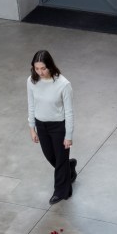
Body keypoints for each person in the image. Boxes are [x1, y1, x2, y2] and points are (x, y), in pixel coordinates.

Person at [27, 50, 76, 205]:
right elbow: (31, 105)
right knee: (51, 157)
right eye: (37, 69)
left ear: (50, 66)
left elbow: (69, 112)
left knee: (60, 160)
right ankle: (70, 167)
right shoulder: (31, 81)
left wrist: (68, 135)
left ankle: (61, 192)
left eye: (43, 68)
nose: (40, 72)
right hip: (41, 126)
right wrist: (32, 128)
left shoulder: (63, 84)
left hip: (58, 127)